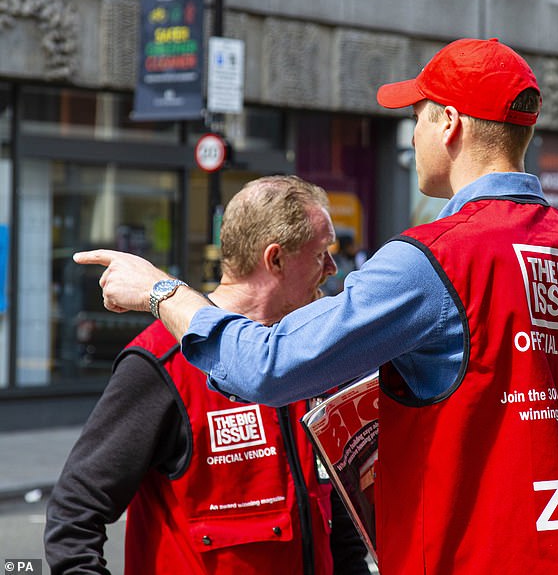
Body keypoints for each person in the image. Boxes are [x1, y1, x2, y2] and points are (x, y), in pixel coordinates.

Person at [74, 38, 558, 575]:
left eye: (416, 116)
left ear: (448, 122)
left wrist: (161, 291)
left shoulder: (434, 260)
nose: (412, 136)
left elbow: (271, 366)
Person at [45, 175, 371, 575]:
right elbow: (73, 518)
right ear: (275, 259)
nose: (333, 269)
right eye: (322, 254)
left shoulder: (306, 355)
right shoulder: (163, 362)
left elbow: (338, 526)